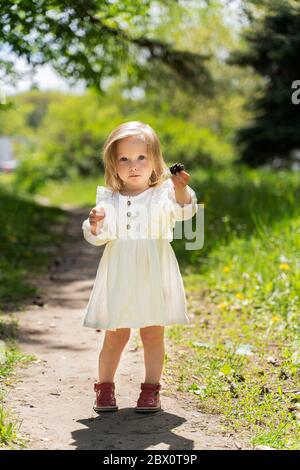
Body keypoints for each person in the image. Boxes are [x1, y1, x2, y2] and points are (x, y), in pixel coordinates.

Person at [81, 121, 198, 413]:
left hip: (153, 271)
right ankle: (105, 387)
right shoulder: (109, 199)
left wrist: (182, 189)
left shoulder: (164, 194)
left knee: (152, 332)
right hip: (120, 271)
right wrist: (94, 224)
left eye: (141, 157)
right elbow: (98, 237)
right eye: (125, 159)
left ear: (155, 160)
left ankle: (151, 390)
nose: (133, 165)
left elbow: (185, 211)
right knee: (116, 332)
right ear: (114, 163)